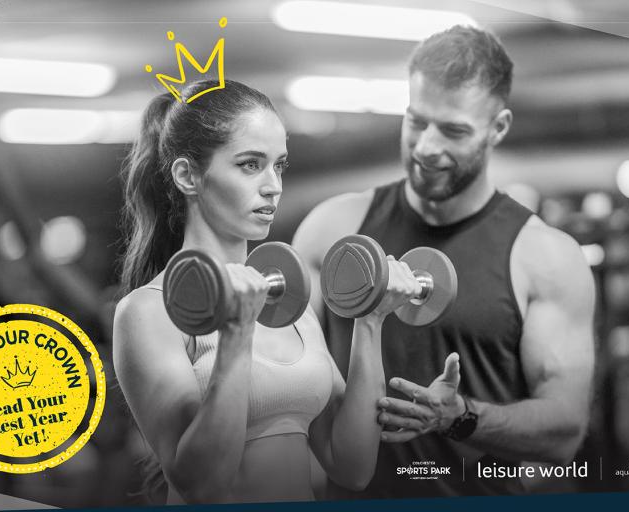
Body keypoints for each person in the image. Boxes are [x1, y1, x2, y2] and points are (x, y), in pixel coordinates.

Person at [293, 26, 596, 497]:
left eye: (453, 130)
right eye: (416, 121)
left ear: (498, 128)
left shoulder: (544, 256)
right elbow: (281, 369)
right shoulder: (333, 230)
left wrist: (460, 416)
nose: (427, 147)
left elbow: (565, 430)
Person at [112, 80, 421, 504]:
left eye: (280, 165)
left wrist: (371, 319)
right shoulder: (147, 312)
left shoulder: (289, 302)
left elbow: (352, 465)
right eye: (250, 164)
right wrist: (237, 334)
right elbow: (202, 485)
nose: (273, 185)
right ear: (187, 175)